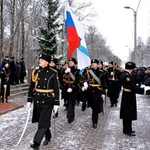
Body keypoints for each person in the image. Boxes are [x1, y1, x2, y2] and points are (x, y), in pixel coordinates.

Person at [26, 53, 60, 149]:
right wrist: (29, 100)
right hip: (38, 99)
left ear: (46, 62)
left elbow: (56, 89)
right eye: (40, 60)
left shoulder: (53, 73)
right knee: (42, 121)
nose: (39, 61)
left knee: (43, 122)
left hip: (48, 100)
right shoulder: (36, 72)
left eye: (41, 60)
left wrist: (56, 103)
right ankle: (48, 136)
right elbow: (32, 86)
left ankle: (36, 143)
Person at [120, 61, 144, 136]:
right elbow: (131, 87)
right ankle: (127, 130)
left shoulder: (126, 74)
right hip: (128, 96)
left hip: (128, 95)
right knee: (127, 112)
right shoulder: (126, 76)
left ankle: (128, 129)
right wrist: (142, 90)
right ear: (131, 68)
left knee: (128, 112)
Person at [84, 59, 105, 129]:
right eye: (92, 63)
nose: (93, 64)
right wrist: (85, 82)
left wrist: (103, 92)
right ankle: (94, 118)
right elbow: (86, 78)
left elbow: (103, 83)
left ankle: (94, 122)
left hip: (97, 91)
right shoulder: (88, 71)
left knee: (95, 108)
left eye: (95, 63)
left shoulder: (101, 72)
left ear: (97, 64)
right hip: (90, 91)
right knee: (93, 106)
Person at [61, 58, 80, 123]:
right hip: (66, 88)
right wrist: (65, 72)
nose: (70, 63)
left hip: (74, 89)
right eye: (69, 62)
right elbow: (62, 78)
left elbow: (77, 80)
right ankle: (72, 115)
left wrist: (72, 87)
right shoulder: (66, 70)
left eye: (72, 62)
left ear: (74, 63)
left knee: (72, 102)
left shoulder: (77, 71)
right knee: (68, 102)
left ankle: (69, 117)